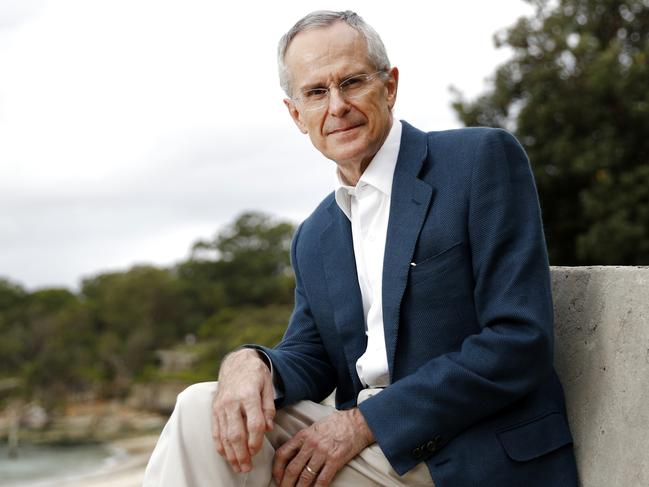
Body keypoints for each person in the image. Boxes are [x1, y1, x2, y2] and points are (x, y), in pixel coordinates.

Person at [143, 10, 578, 487]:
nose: (336, 106)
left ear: (388, 86)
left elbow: (519, 340)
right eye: (315, 93)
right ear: (296, 114)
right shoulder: (315, 234)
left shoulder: (479, 162)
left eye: (351, 82)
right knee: (198, 409)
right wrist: (250, 362)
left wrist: (362, 424)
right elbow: (311, 356)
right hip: (363, 450)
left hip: (464, 450)